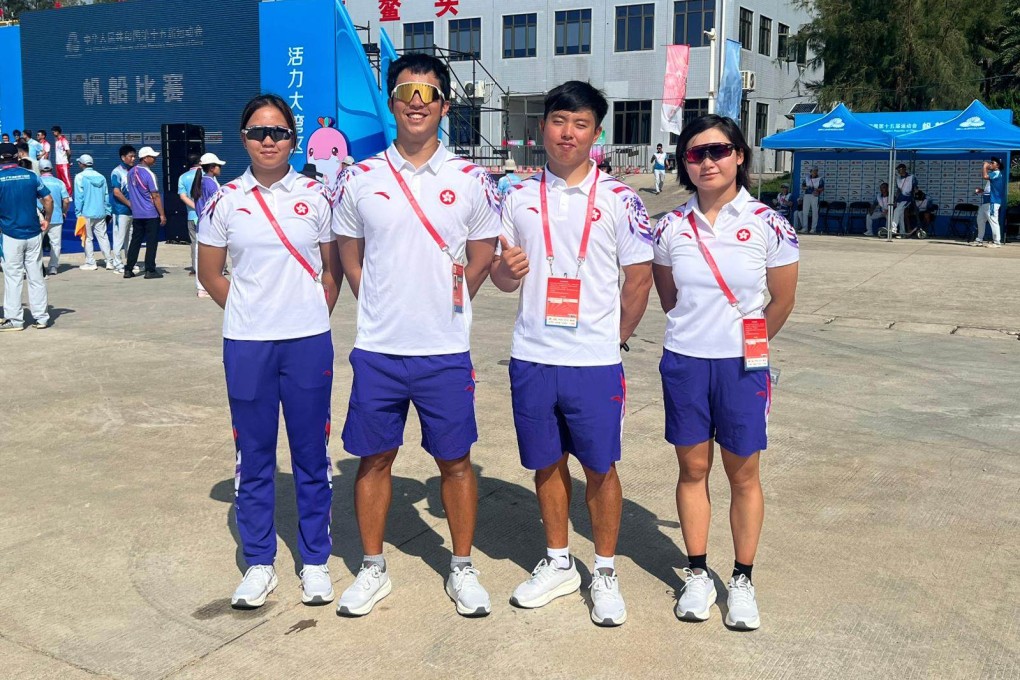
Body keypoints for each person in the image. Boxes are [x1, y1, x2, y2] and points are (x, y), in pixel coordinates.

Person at [332, 52, 501, 618]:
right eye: (406, 93)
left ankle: (462, 566)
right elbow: (349, 252)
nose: (416, 104)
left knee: (455, 462)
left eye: (428, 94)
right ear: (391, 102)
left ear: (444, 106)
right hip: (379, 349)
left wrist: (450, 301)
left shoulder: (471, 179)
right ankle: (372, 567)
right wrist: (376, 299)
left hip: (444, 350)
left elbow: (482, 254)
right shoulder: (360, 177)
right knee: (374, 460)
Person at [490, 81, 654, 627]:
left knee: (600, 467)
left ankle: (604, 570)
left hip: (594, 362)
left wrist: (614, 339)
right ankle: (559, 561)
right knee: (546, 463)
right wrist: (503, 271)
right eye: (559, 121)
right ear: (543, 128)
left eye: (580, 124)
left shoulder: (621, 199)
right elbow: (502, 279)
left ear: (595, 133)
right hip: (533, 354)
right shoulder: (516, 196)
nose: (568, 133)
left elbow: (638, 279)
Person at [652, 115, 799, 630]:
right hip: (686, 362)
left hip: (742, 368)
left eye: (718, 150)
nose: (708, 161)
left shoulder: (768, 223)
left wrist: (748, 346)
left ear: (739, 155)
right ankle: (697, 574)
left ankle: (741, 579)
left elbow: (782, 300)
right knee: (692, 470)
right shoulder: (669, 227)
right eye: (696, 154)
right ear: (685, 164)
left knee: (743, 474)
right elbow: (669, 297)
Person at [197, 94, 342, 609]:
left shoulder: (317, 196)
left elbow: (332, 272)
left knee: (311, 454)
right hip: (247, 345)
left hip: (307, 343)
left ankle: (316, 560)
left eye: (278, 132)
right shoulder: (224, 200)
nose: (268, 141)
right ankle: (259, 562)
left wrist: (309, 312)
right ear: (244, 139)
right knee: (254, 456)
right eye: (258, 132)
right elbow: (210, 273)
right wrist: (250, 312)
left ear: (293, 140)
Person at [0, 142, 53, 331]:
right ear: (17, 157)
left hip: (10, 234)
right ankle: (42, 317)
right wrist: (47, 220)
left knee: (13, 277)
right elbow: (48, 199)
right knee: (36, 275)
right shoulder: (31, 176)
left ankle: (15, 319)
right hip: (33, 232)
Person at [124, 146, 166, 279]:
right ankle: (150, 270)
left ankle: (128, 269)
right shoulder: (149, 174)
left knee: (135, 241)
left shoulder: (131, 172)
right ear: (145, 158)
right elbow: (155, 196)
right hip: (150, 213)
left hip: (137, 214)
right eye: (152, 157)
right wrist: (162, 214)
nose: (155, 159)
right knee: (151, 242)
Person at [189, 152, 226, 298]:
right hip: (212, 224)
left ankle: (202, 288)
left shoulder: (201, 181)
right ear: (211, 168)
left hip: (202, 223)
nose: (220, 168)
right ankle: (209, 288)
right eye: (218, 166)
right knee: (214, 259)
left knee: (201, 257)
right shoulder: (211, 183)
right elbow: (219, 204)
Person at [73, 154, 115, 271]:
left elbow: (79, 197)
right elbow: (106, 196)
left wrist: (78, 213)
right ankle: (109, 261)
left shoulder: (80, 177)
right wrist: (108, 211)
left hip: (86, 213)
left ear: (82, 164)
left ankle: (91, 262)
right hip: (100, 212)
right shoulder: (101, 177)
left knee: (87, 238)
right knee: (103, 237)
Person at [38, 160, 69, 275]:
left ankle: (38, 267)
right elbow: (66, 200)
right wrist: (63, 212)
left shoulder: (37, 181)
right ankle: (53, 267)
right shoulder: (59, 183)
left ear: (40, 170)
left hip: (40, 218)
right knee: (56, 244)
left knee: (37, 244)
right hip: (56, 216)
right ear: (51, 169)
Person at [110, 145, 136, 272]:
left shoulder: (134, 171)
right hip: (120, 211)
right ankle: (117, 263)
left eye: (134, 156)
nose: (133, 159)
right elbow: (116, 192)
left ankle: (130, 262)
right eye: (131, 156)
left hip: (133, 211)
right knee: (119, 238)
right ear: (123, 157)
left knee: (130, 238)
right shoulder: (117, 172)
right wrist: (129, 203)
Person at [177, 153, 202, 278]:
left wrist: (194, 207)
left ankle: (195, 268)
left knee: (194, 243)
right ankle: (221, 267)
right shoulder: (206, 175)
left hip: (191, 216)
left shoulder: (183, 177)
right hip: (206, 215)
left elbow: (183, 196)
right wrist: (201, 208)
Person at [973, 157, 1005, 248]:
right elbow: (991, 189)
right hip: (986, 202)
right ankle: (979, 240)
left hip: (992, 202)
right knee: (980, 220)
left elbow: (985, 176)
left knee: (993, 221)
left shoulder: (996, 173)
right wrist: (982, 191)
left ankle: (997, 242)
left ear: (997, 165)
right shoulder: (993, 174)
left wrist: (985, 166)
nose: (990, 164)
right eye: (990, 163)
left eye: (992, 163)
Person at [891, 164, 917, 238]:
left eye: (900, 169)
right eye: (898, 169)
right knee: (900, 216)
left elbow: (915, 187)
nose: (899, 171)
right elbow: (898, 190)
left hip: (907, 198)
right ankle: (902, 233)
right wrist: (895, 200)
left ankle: (894, 228)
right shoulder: (898, 178)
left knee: (896, 211)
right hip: (900, 199)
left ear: (904, 169)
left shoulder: (911, 177)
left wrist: (915, 192)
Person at [799, 167, 823, 234]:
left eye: (816, 171)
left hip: (815, 196)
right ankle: (805, 228)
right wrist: (807, 187)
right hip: (807, 195)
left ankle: (813, 229)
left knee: (815, 212)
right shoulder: (807, 178)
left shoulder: (820, 179)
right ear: (811, 172)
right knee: (805, 212)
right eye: (813, 171)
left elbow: (822, 188)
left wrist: (816, 189)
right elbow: (803, 187)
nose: (815, 172)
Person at [52, 126, 71, 192]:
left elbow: (69, 152)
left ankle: (69, 195)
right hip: (58, 163)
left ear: (57, 132)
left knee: (66, 180)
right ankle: (62, 194)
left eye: (54, 132)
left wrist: (67, 160)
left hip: (63, 163)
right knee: (60, 181)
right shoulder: (57, 141)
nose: (53, 133)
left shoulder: (64, 140)